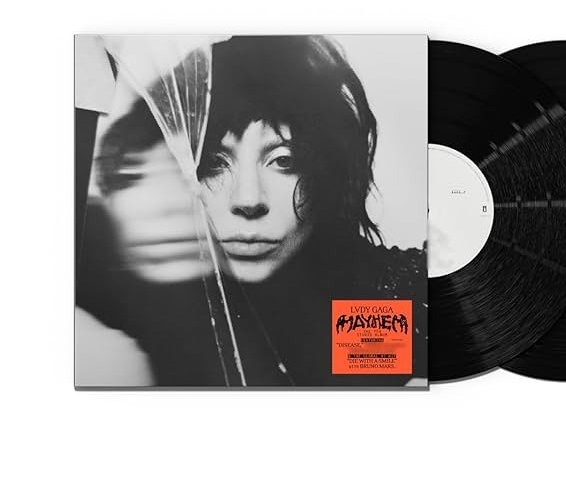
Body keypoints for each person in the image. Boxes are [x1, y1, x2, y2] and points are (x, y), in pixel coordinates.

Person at [77, 36, 426, 387]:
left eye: (284, 161)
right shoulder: (147, 260)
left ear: (328, 173)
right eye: (212, 162)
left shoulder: (388, 299)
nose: (248, 199)